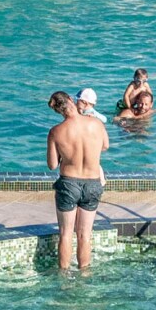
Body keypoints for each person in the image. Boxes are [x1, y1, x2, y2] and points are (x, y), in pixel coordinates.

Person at [46, 91, 109, 271]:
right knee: (84, 235)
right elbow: (105, 146)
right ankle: (84, 274)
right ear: (71, 100)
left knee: (66, 234)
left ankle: (64, 277)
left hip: (68, 184)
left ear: (58, 111)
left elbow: (51, 165)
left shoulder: (56, 131)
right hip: (93, 182)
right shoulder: (96, 123)